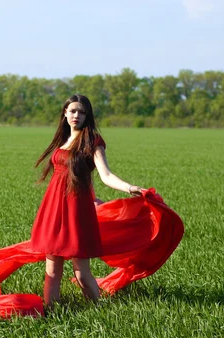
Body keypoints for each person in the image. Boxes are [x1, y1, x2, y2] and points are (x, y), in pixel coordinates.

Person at [31, 94, 145, 309]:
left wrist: (130, 188)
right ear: (65, 113)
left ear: (87, 115)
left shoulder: (92, 141)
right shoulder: (62, 140)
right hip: (53, 207)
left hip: (76, 209)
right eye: (72, 111)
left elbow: (105, 175)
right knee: (52, 269)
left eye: (82, 112)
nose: (76, 115)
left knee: (81, 272)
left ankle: (98, 312)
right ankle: (50, 313)